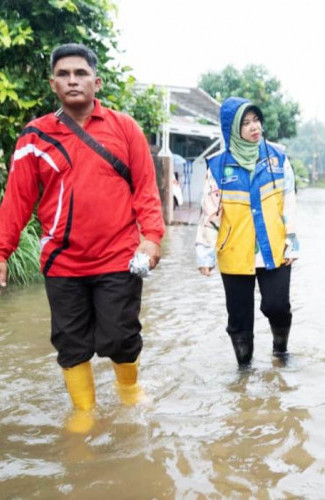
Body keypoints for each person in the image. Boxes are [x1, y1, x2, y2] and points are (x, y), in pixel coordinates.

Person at [0, 43, 164, 432]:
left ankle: (129, 394)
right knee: (70, 342)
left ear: (96, 81)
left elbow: (145, 188)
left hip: (119, 258)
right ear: (53, 84)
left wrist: (152, 238)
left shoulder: (125, 128)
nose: (73, 80)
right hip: (62, 262)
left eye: (81, 73)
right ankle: (84, 411)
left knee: (121, 336)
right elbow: (17, 201)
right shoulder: (35, 137)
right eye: (64, 74)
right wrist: (2, 251)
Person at [196, 97, 298, 368]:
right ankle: (244, 371)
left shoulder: (277, 157)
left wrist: (292, 241)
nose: (255, 127)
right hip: (234, 250)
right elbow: (210, 210)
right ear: (231, 129)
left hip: (274, 248)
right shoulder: (217, 166)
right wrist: (204, 253)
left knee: (277, 306)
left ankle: (280, 350)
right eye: (246, 123)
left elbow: (289, 201)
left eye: (256, 120)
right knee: (239, 319)